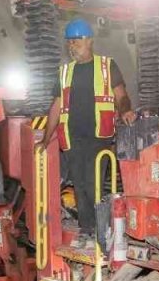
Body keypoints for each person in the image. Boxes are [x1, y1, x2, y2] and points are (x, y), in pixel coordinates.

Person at [38, 17, 135, 248]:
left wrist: (126, 111)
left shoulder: (106, 66)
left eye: (77, 41)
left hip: (98, 137)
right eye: (69, 42)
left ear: (90, 40)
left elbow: (121, 95)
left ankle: (101, 232)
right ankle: (87, 231)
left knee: (93, 185)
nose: (72, 46)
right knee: (79, 185)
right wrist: (45, 138)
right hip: (71, 139)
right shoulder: (64, 72)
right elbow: (56, 107)